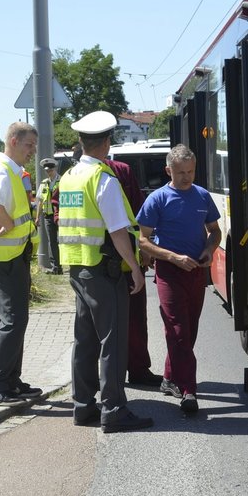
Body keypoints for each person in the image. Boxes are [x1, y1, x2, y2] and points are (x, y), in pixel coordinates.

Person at [58, 110, 152, 433]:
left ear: (82, 142)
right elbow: (117, 231)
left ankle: (83, 406)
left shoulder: (69, 177)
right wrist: (137, 271)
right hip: (105, 269)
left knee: (84, 339)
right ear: (107, 143)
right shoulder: (103, 179)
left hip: (78, 268)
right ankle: (113, 409)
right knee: (112, 339)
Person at [137, 144, 222, 414]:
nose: (186, 177)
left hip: (196, 271)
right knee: (178, 330)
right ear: (168, 170)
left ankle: (170, 378)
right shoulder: (157, 199)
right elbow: (143, 242)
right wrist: (172, 258)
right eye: (180, 172)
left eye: (191, 171)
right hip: (169, 273)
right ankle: (189, 390)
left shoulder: (202, 196)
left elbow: (215, 231)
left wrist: (209, 250)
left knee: (189, 330)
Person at [0, 122, 42, 406]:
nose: (32, 151)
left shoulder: (12, 172)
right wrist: (6, 223)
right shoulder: (1, 171)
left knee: (18, 319)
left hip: (13, 255)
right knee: (12, 320)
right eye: (29, 145)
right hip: (3, 257)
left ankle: (11, 382)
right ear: (13, 141)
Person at [106, 154, 162, 387]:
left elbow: (138, 215)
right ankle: (119, 374)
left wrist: (145, 248)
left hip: (100, 262)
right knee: (116, 322)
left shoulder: (120, 171)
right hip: (108, 261)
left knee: (133, 319)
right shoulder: (86, 174)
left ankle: (135, 369)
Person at [35, 157, 62, 274]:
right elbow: (40, 202)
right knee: (52, 242)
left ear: (55, 168)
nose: (49, 172)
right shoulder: (44, 183)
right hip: (48, 216)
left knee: (65, 240)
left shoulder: (63, 181)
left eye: (50, 170)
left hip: (62, 216)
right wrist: (37, 217)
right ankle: (56, 267)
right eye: (47, 170)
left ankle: (70, 265)